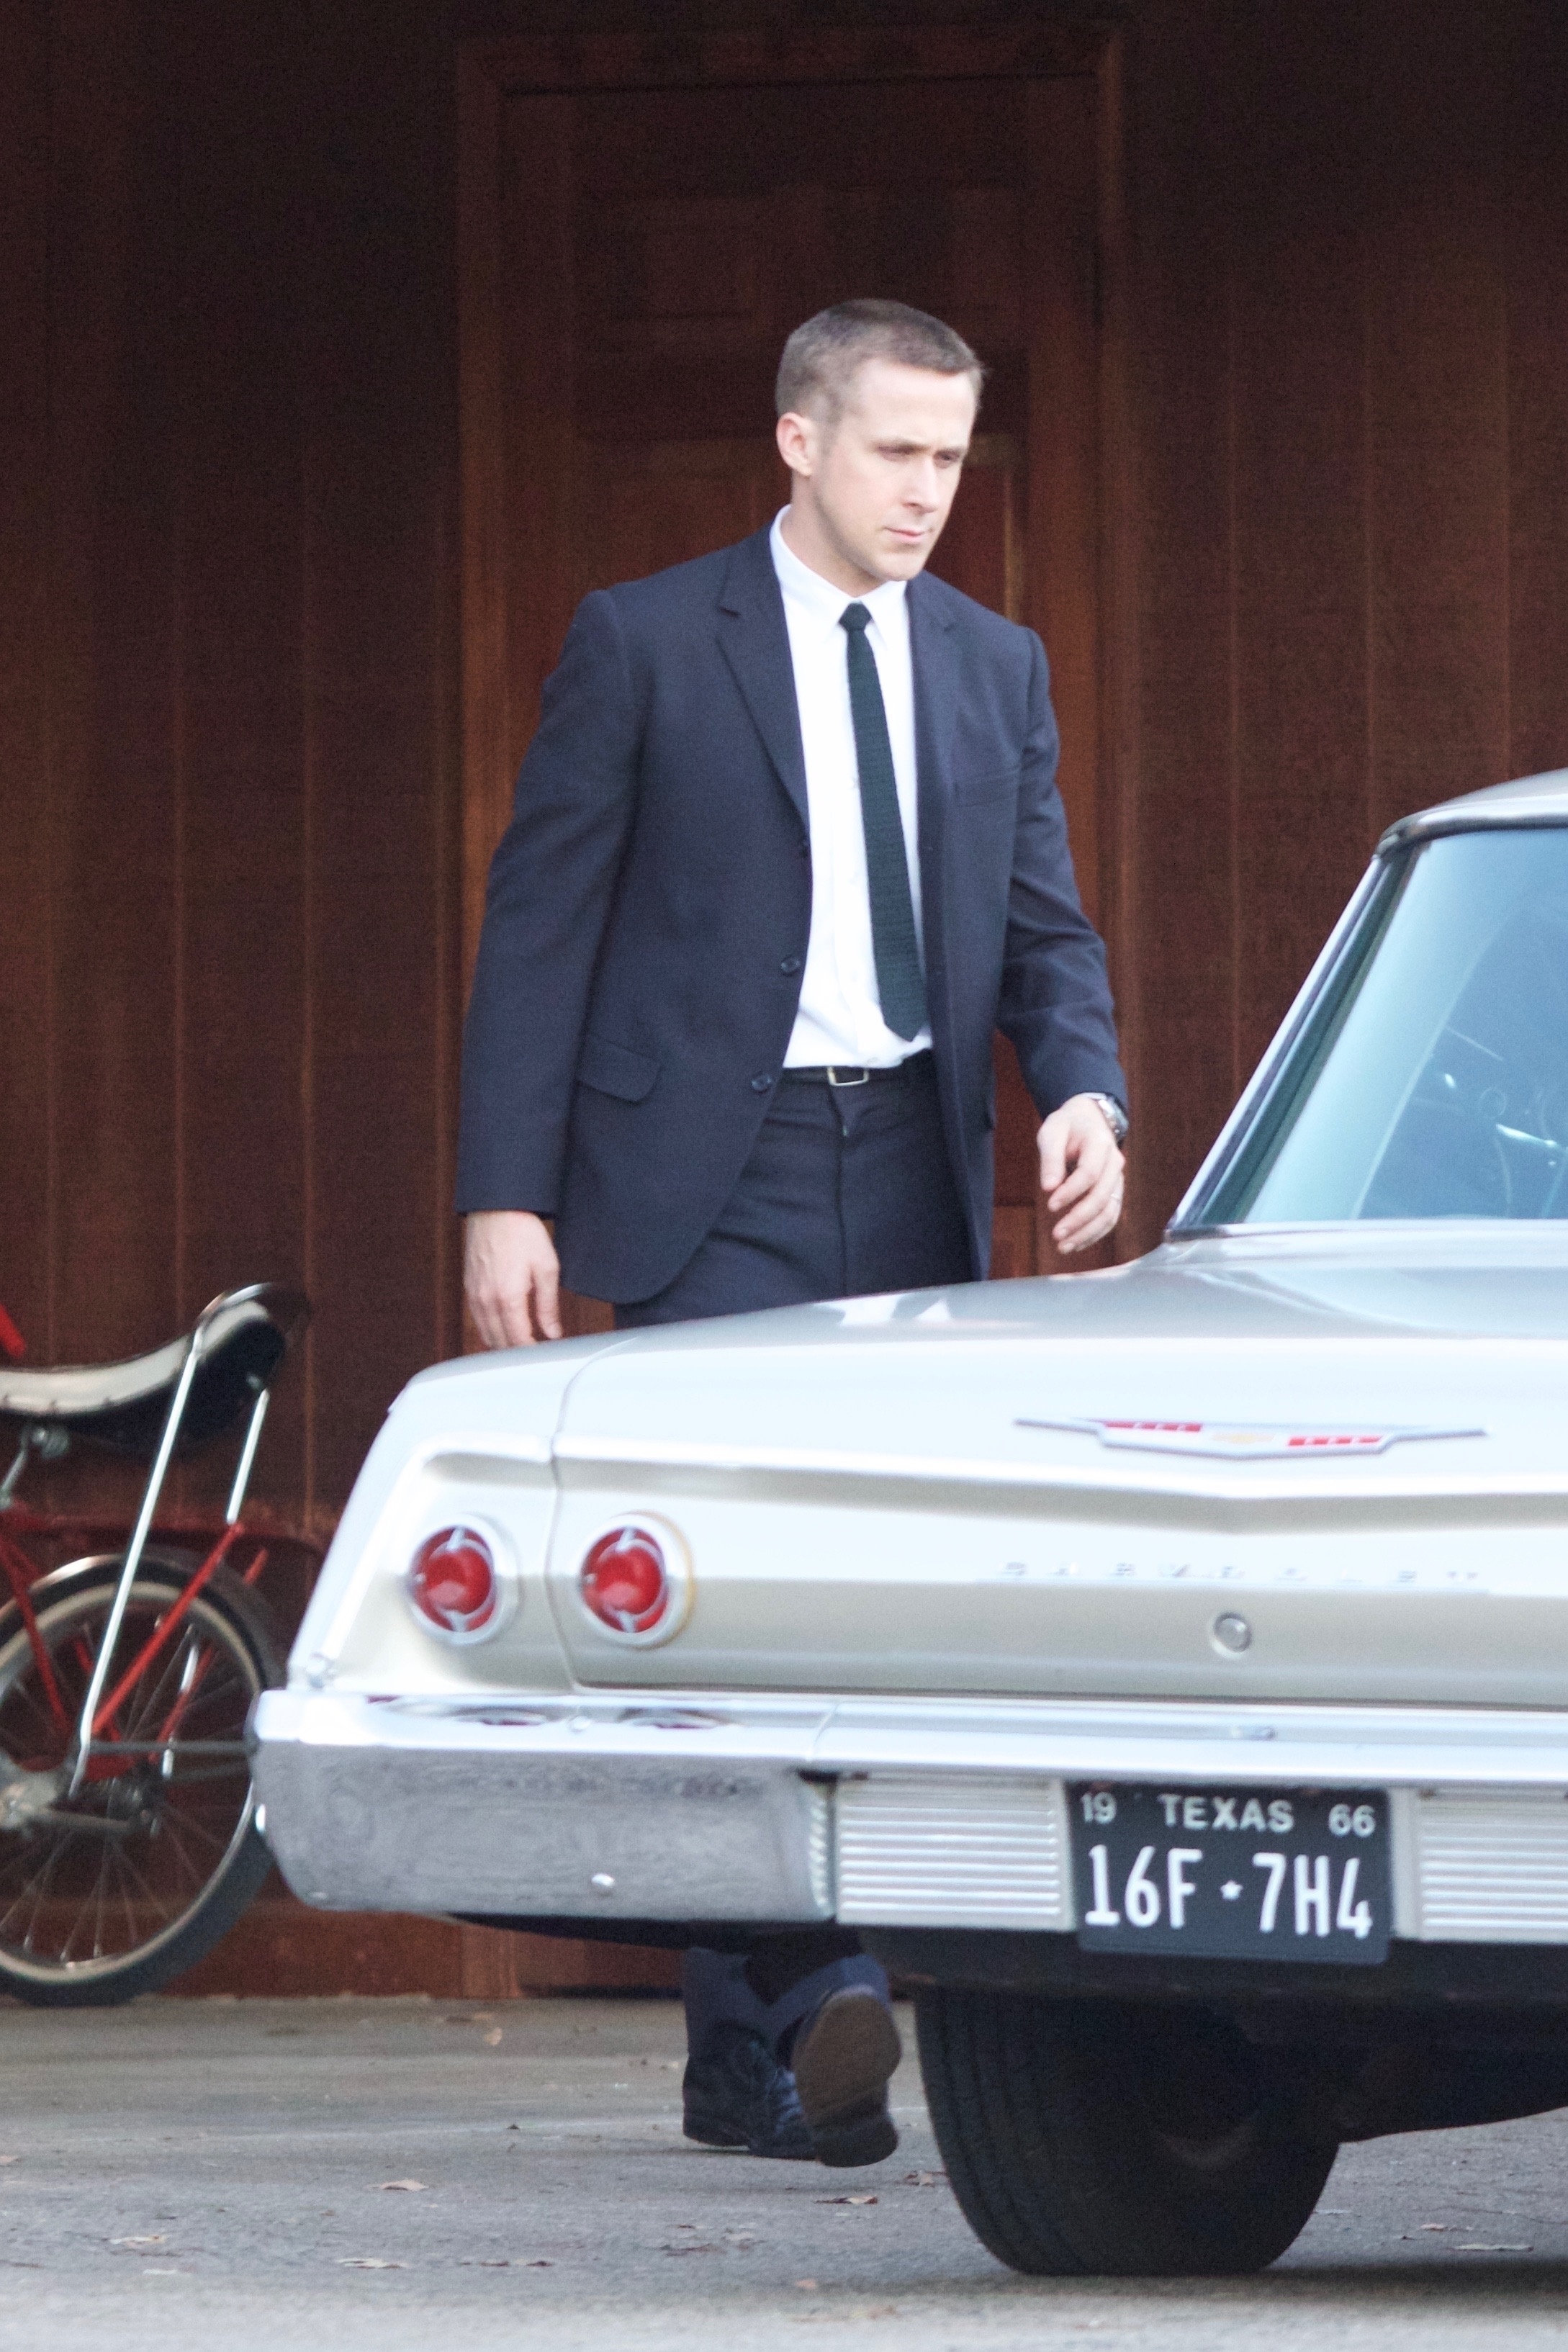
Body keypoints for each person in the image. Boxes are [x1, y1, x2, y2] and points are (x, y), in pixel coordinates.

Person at [458, 299, 1127, 2169]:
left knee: (876, 1592)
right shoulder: (646, 641)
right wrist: (503, 1191)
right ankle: (820, 1976)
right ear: (798, 441)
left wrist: (1086, 1090)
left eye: (951, 457)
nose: (928, 491)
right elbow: (540, 925)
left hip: (910, 1170)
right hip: (712, 1174)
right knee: (727, 1585)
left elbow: (1045, 925)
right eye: (896, 451)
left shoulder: (994, 664)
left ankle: (742, 2054)